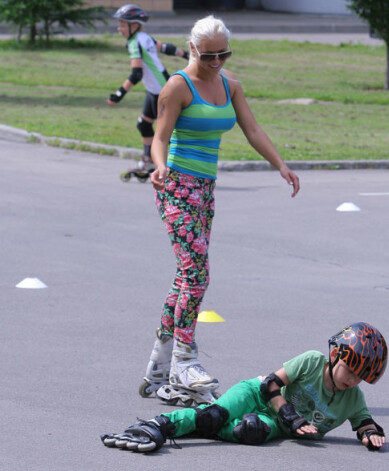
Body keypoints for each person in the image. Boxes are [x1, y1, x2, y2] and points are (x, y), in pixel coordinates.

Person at [138, 15, 300, 407]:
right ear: (192, 49)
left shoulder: (231, 86)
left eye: (223, 54)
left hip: (205, 191)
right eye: (208, 55)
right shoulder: (177, 86)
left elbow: (253, 130)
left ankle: (156, 369)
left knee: (184, 277)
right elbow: (160, 138)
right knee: (197, 272)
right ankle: (184, 361)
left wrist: (280, 164)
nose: (216, 62)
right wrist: (158, 166)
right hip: (175, 186)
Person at [101, 322, 388, 453]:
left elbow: (364, 422)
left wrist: (370, 435)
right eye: (350, 371)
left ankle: (199, 423)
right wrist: (290, 415)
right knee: (213, 416)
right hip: (257, 393)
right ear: (336, 355)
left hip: (273, 422)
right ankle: (159, 424)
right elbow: (270, 384)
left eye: (360, 377)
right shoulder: (312, 361)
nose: (352, 380)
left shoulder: (353, 398)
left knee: (249, 431)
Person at [107, 4, 189, 176]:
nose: (119, 28)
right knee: (144, 125)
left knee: (167, 132)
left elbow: (136, 74)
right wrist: (187, 55)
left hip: (163, 93)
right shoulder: (144, 37)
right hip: (156, 90)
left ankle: (177, 168)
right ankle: (149, 162)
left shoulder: (134, 42)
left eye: (122, 25)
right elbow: (167, 48)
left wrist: (118, 95)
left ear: (134, 26)